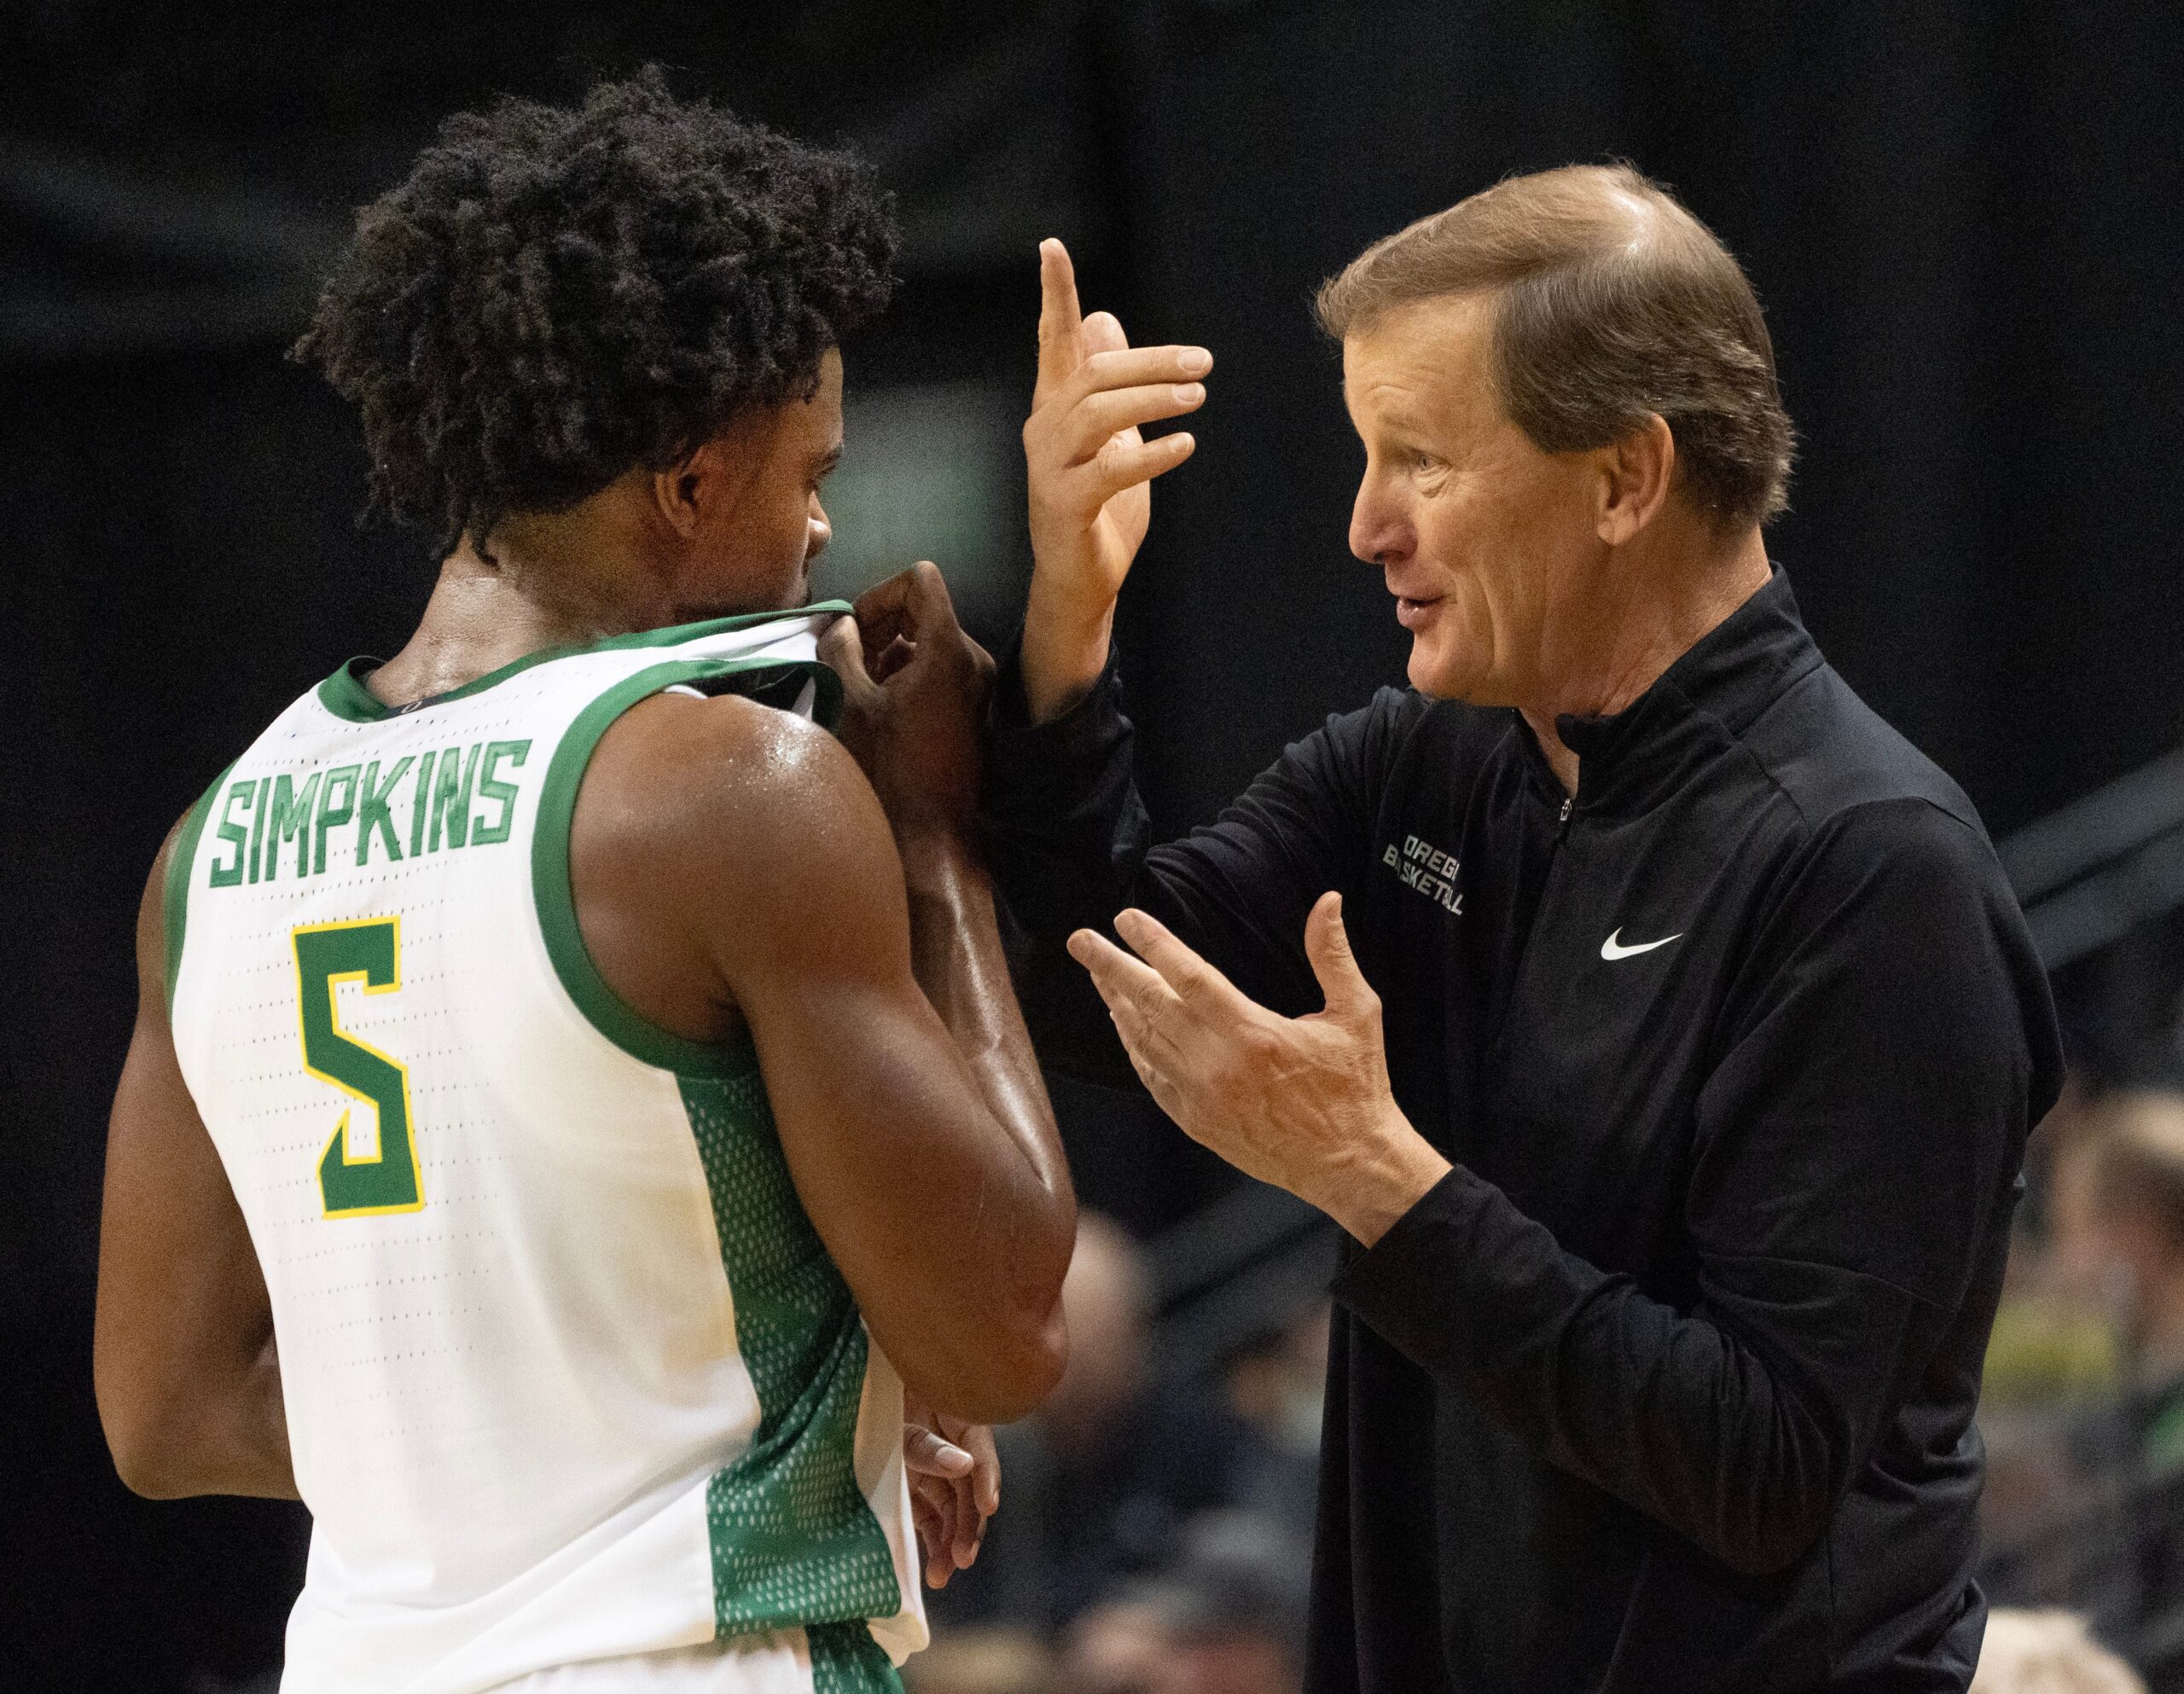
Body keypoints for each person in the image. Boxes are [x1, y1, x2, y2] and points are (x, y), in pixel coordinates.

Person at [931, 164, 2060, 1690]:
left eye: (1424, 461)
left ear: (1624, 480)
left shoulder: (1876, 872)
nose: (1364, 526)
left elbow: (1764, 1463)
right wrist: (1067, 617)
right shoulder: (1430, 757)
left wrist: (1374, 1177)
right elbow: (1094, 988)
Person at [93, 74, 1074, 1694]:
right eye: (806, 469)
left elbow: (168, 1407)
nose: (824, 524)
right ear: (689, 481)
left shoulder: (210, 844)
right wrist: (933, 840)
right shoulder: (726, 793)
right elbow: (1011, 1325)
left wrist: (618, 1443)